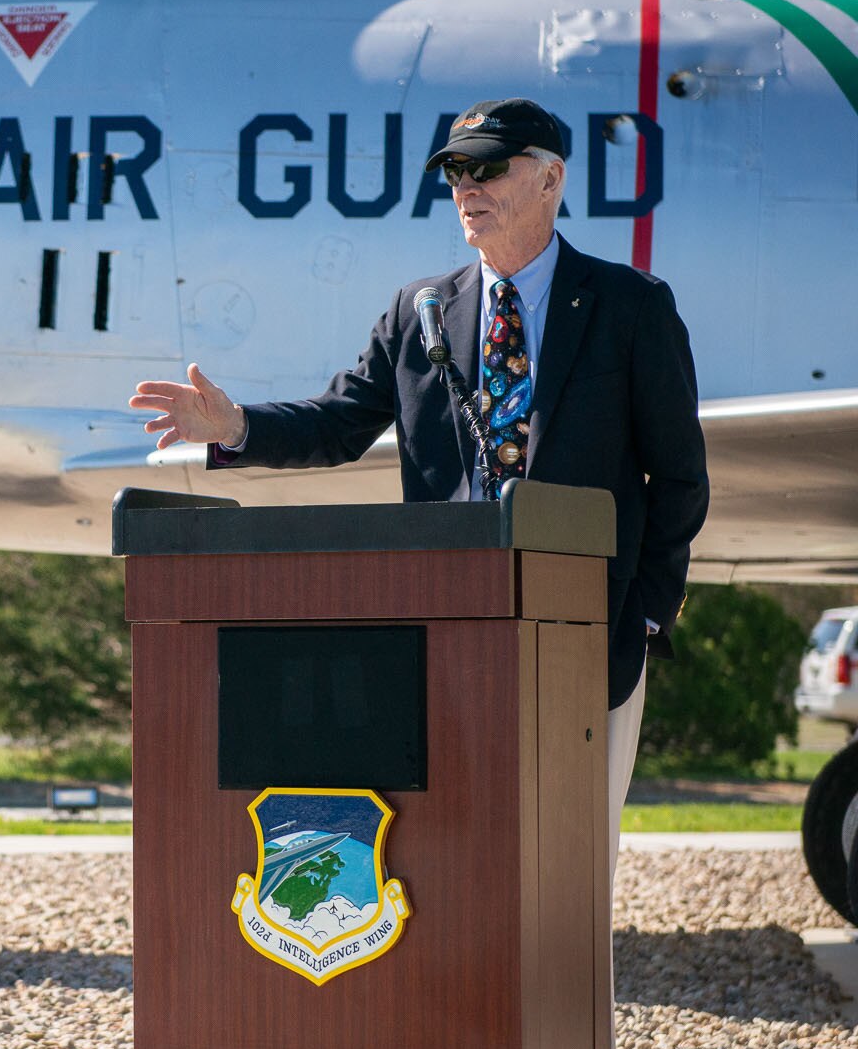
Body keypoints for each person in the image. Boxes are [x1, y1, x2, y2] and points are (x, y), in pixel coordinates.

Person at [130, 97, 708, 865]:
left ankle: (571, 994)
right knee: (456, 860)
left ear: (550, 179)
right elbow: (339, 422)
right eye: (454, 172)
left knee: (573, 863)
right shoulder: (422, 310)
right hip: (446, 632)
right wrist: (235, 427)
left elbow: (679, 478)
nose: (467, 187)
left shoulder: (631, 307)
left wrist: (642, 613)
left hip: (586, 633)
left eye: (488, 168)